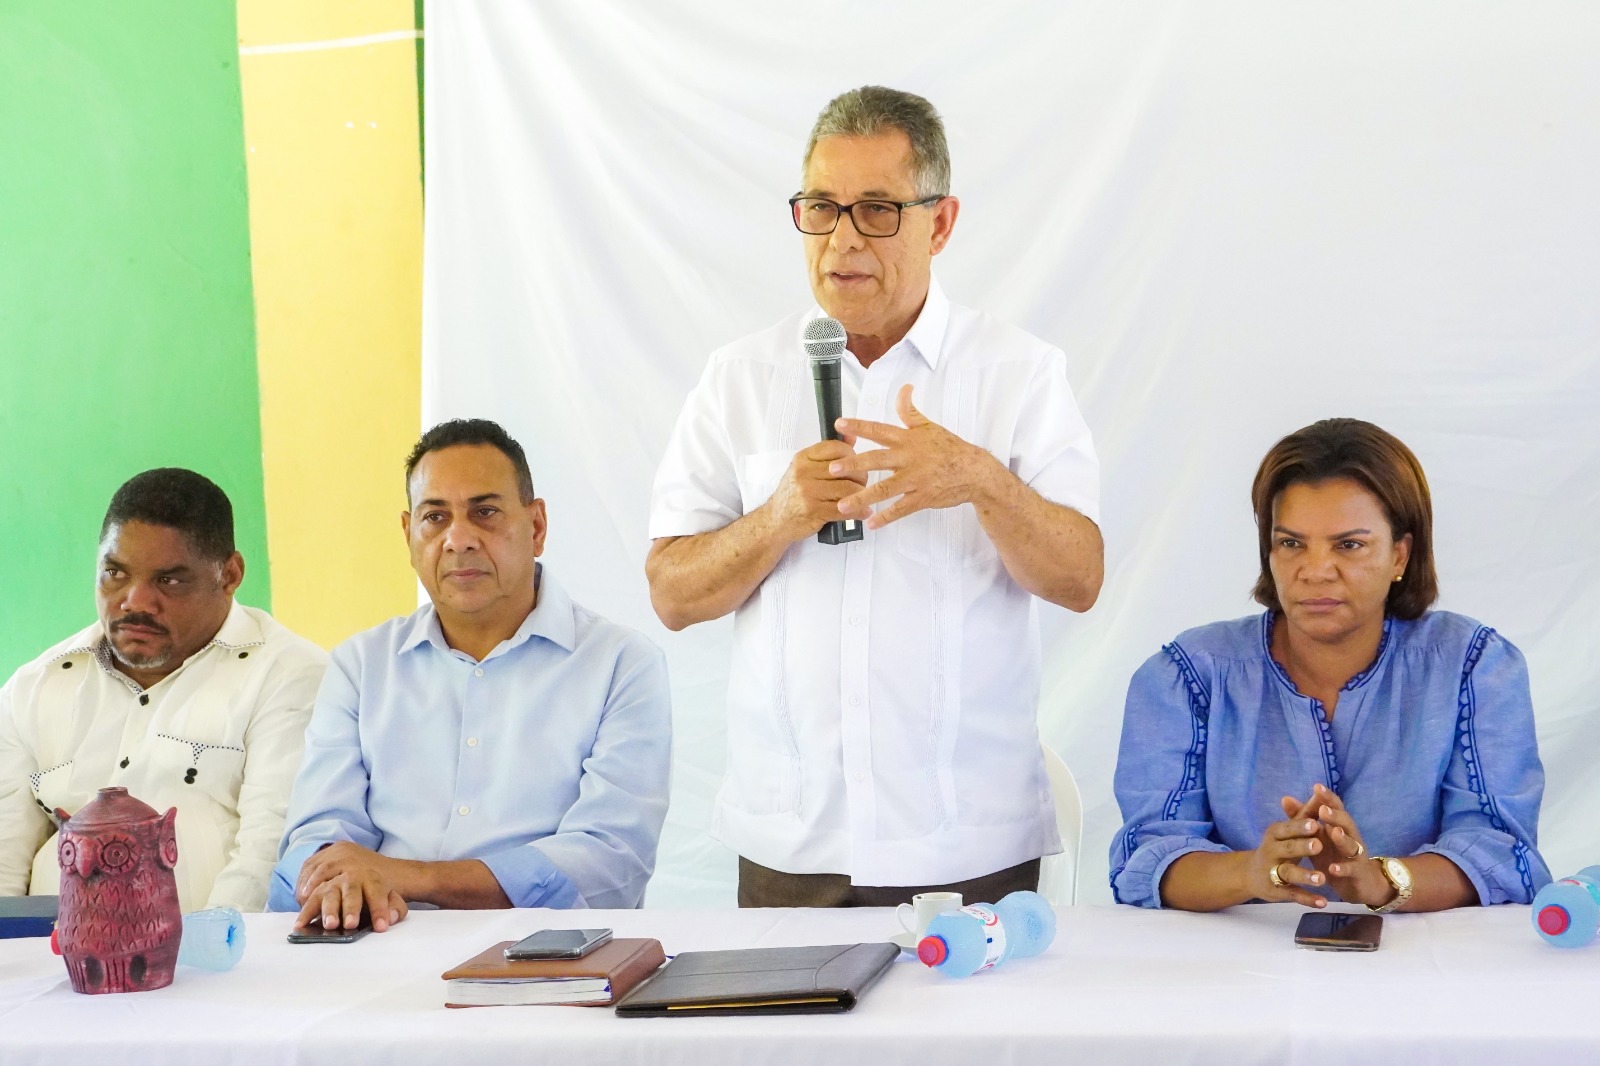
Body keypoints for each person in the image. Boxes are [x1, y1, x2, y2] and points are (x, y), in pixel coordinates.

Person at [647, 86, 1103, 906]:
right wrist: (779, 516)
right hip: (792, 844)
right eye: (822, 208)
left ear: (941, 223)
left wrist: (978, 479)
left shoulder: (1019, 372)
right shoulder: (738, 378)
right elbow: (673, 594)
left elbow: (1080, 578)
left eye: (878, 210)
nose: (844, 239)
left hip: (967, 842)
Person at [1111, 418, 1551, 912]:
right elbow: (1146, 858)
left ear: (1400, 555)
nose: (1316, 571)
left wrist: (1380, 881)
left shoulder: (1472, 666)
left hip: (1423, 956)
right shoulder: (1188, 676)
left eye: (1349, 545)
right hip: (1231, 958)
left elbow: (1501, 853)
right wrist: (1251, 872)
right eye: (1291, 543)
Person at [271, 419, 671, 932]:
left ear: (537, 526)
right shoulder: (361, 665)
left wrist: (409, 877)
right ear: (408, 535)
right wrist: (338, 879)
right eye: (435, 517)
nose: (458, 540)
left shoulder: (621, 664)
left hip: (546, 953)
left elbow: (609, 862)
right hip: (378, 942)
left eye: (485, 512)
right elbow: (314, 838)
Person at [0, 469, 327, 912]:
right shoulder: (34, 687)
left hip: (217, 950)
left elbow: (267, 855)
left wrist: (205, 948)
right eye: (115, 573)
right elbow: (4, 862)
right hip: (49, 951)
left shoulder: (287, 675)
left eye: (168, 580)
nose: (134, 601)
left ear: (229, 575)